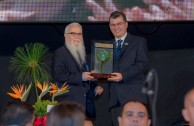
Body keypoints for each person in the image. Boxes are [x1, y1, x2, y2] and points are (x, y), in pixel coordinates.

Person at [52, 22, 103, 120]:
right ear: (65, 35)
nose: (77, 36)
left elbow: (87, 76)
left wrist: (95, 87)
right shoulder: (60, 52)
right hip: (70, 105)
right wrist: (81, 77)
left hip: (86, 104)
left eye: (79, 34)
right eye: (73, 33)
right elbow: (59, 75)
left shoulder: (82, 53)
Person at [107, 11, 149, 126]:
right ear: (109, 27)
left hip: (134, 97)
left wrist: (123, 76)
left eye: (119, 24)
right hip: (115, 100)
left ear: (126, 24)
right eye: (113, 25)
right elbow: (103, 69)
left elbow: (143, 64)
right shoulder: (106, 46)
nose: (116, 27)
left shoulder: (138, 41)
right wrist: (98, 73)